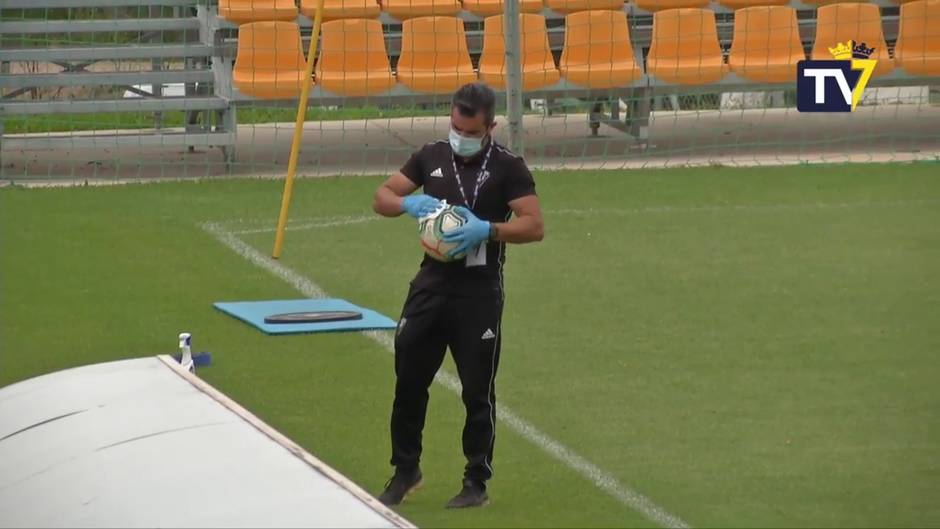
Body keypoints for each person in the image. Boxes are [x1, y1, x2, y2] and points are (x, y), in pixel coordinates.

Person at [372, 82, 545, 509]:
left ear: (490, 126)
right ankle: (405, 471)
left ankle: (475, 482)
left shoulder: (508, 168)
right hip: (430, 286)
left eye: (469, 131)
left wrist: (489, 230)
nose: (460, 137)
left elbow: (534, 225)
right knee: (409, 381)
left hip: (479, 293)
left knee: (476, 392)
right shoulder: (430, 156)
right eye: (455, 127)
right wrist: (405, 205)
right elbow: (383, 196)